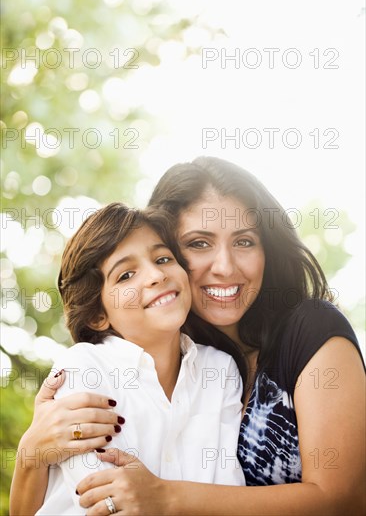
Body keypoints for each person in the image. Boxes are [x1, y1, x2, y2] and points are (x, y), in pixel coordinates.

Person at [10, 157, 365, 515]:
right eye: (199, 243)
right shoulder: (116, 359)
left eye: (244, 241)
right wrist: (30, 457)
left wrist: (167, 498)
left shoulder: (299, 336)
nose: (225, 267)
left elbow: (345, 499)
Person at [11, 201, 245, 516]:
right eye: (125, 275)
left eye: (163, 258)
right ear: (96, 315)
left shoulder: (221, 369)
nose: (156, 275)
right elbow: (104, 501)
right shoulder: (85, 367)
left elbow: (229, 494)